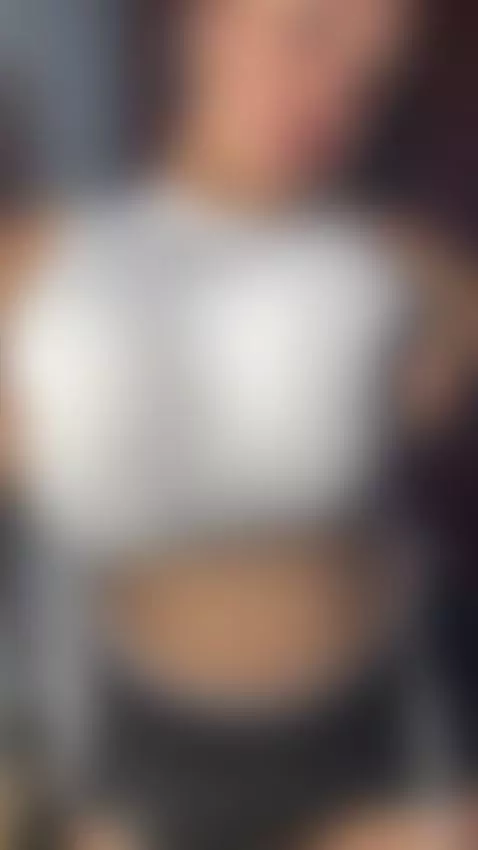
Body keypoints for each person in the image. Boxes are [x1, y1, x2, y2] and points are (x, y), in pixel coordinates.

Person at [4, 0, 477, 848]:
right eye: (310, 35)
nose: (334, 94)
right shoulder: (38, 269)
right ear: (209, 23)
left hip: (380, 739)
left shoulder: (407, 273)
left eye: (372, 75)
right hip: (138, 749)